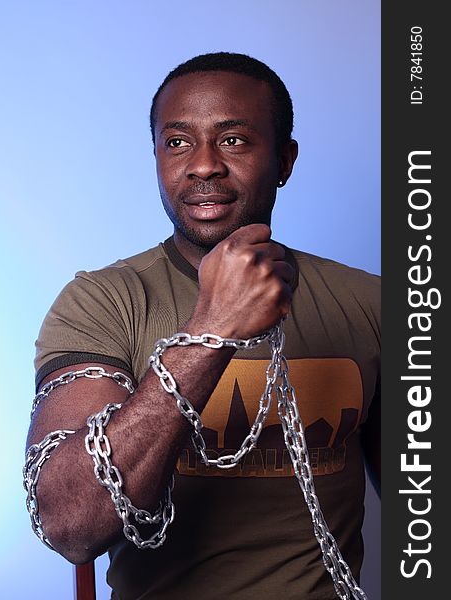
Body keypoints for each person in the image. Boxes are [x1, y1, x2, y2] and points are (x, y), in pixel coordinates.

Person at [26, 52, 380, 600]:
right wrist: (212, 331)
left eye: (234, 140)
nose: (203, 165)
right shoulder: (103, 302)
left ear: (285, 160)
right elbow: (71, 523)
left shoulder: (371, 303)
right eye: (178, 142)